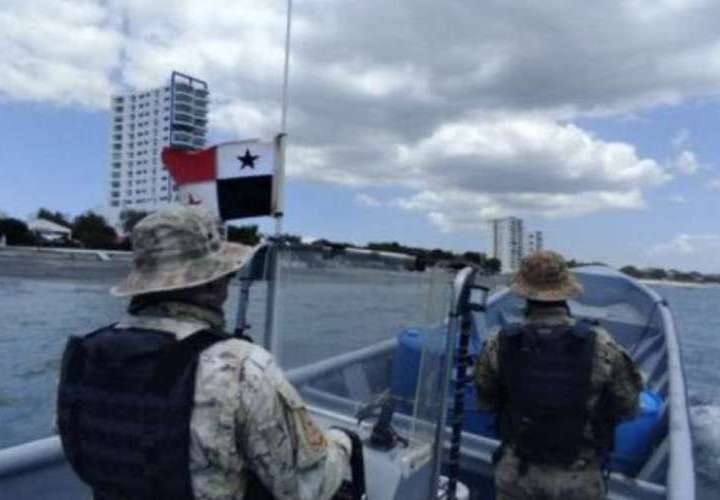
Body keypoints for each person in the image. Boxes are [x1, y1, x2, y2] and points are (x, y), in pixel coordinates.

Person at [56, 205, 352, 500]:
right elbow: (304, 488)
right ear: (212, 286)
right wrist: (342, 442)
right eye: (227, 276)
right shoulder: (243, 367)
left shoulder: (83, 356)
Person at [474, 251, 643, 500]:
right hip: (579, 478)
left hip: (518, 472)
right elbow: (628, 408)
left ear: (524, 294)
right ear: (566, 293)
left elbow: (486, 401)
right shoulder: (603, 345)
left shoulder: (497, 343)